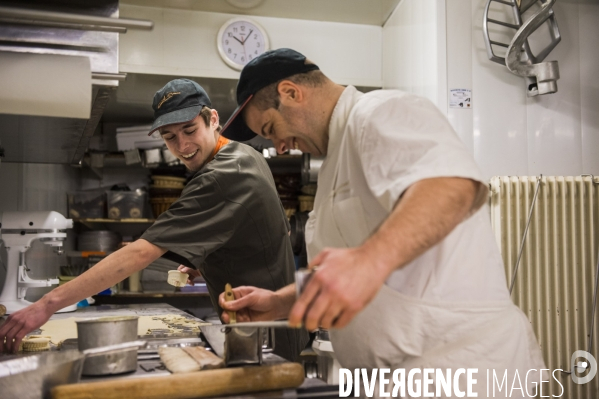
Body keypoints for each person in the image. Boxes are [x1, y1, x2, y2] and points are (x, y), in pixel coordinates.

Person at [218, 49, 546, 395]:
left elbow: (451, 185)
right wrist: (282, 301)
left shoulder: (380, 111)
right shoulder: (334, 162)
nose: (279, 147)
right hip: (401, 377)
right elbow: (355, 267)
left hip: (461, 371)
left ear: (291, 93)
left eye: (270, 129)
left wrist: (368, 261)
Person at [0, 79, 309, 361]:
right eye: (169, 137)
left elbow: (141, 252)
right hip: (271, 325)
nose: (183, 146)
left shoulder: (220, 176)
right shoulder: (243, 155)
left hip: (266, 334)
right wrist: (210, 258)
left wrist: (45, 305)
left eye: (190, 130)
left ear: (213, 119)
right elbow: (256, 230)